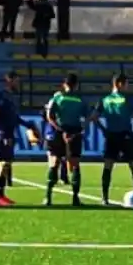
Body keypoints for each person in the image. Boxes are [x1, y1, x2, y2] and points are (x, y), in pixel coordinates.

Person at [0, 72, 41, 207]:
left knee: (6, 164)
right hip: (3, 134)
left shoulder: (11, 97)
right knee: (4, 164)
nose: (18, 84)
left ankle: (1, 195)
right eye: (16, 81)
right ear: (9, 81)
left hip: (9, 132)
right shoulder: (3, 96)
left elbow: (14, 117)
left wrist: (28, 125)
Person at [98, 74, 133, 206]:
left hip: (111, 135)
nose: (127, 87)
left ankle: (104, 198)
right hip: (125, 135)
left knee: (108, 166)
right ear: (119, 84)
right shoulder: (128, 99)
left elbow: (94, 117)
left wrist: (103, 129)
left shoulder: (105, 99)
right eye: (126, 84)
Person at [42, 74, 89, 207]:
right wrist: (77, 132)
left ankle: (48, 197)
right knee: (74, 164)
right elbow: (87, 118)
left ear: (64, 84)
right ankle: (75, 198)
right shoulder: (81, 100)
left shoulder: (57, 97)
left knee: (54, 162)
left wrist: (60, 131)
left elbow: (49, 116)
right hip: (74, 132)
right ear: (76, 85)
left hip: (58, 132)